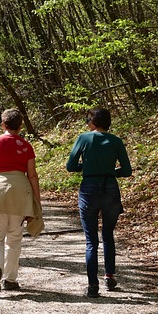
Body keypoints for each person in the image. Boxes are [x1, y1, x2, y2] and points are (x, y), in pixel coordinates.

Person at [0, 108, 43, 296]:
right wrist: (37, 200)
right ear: (20, 126)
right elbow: (32, 175)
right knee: (14, 239)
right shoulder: (26, 146)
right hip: (20, 194)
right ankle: (10, 279)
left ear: (3, 124)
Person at [66, 108, 132, 298]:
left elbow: (71, 166)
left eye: (88, 120)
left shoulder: (84, 138)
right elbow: (126, 170)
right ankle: (109, 276)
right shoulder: (116, 141)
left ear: (92, 123)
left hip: (89, 189)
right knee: (108, 235)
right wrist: (110, 172)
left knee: (91, 241)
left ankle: (92, 285)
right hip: (110, 189)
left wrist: (86, 167)